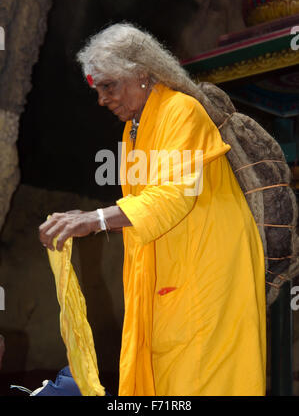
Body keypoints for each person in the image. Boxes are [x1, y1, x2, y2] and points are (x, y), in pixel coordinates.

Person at [39, 23, 266, 396]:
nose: (101, 99)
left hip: (209, 277)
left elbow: (174, 194)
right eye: (97, 89)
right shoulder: (133, 132)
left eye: (108, 86)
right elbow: (146, 205)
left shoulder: (182, 112)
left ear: (142, 73)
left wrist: (93, 220)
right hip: (172, 279)